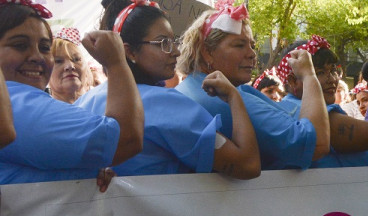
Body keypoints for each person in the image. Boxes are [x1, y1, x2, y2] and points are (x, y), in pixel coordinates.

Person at [79, 0, 260, 179]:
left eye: (173, 41)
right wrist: (234, 97)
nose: (176, 51)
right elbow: (247, 165)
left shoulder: (85, 101)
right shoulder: (166, 104)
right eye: (163, 42)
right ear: (130, 52)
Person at [0, 1, 144, 185]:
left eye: (45, 48)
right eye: (20, 45)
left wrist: (86, 173)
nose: (37, 57)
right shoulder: (16, 105)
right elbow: (126, 140)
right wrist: (116, 62)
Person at [175, 3, 330, 170]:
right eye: (239, 45)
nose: (252, 54)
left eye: (252, 46)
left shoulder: (193, 87)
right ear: (207, 52)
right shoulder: (222, 96)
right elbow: (317, 145)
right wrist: (309, 75)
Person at [276, 36, 368, 168]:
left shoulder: (286, 109)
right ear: (293, 81)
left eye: (333, 70)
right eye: (319, 72)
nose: (332, 79)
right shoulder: (316, 116)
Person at [49, 27, 87, 103]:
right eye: (58, 61)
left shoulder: (104, 103)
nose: (70, 66)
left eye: (76, 59)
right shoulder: (41, 112)